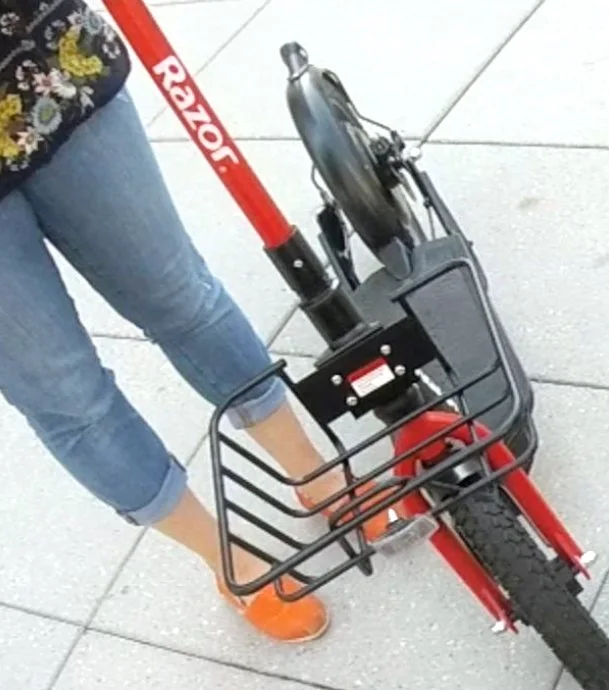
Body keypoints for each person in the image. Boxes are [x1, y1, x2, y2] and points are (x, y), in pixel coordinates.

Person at [1, 0, 375, 643]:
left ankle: (312, 472)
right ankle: (228, 561)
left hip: (43, 68)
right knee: (67, 396)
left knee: (180, 297)